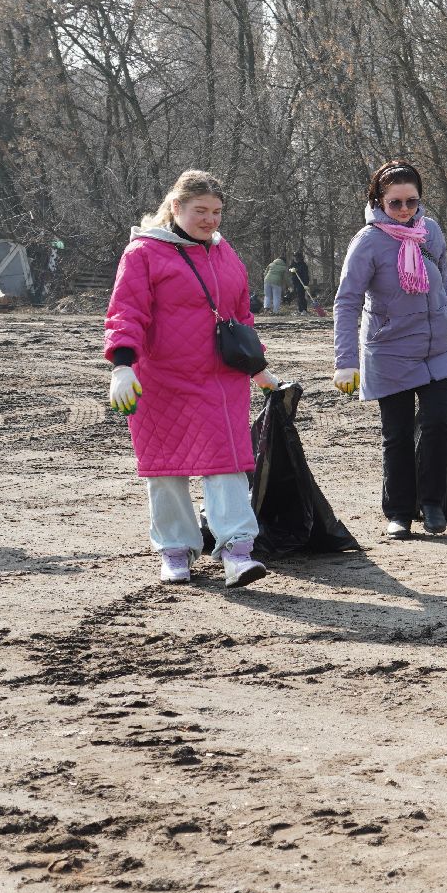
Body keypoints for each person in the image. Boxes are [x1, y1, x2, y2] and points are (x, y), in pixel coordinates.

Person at [103, 169, 279, 588]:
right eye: (201, 210)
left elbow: (240, 317)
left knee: (227, 466)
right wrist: (122, 365)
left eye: (217, 211)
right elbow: (126, 311)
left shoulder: (225, 252)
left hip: (220, 380)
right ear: (176, 207)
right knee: (166, 471)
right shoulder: (143, 253)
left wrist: (258, 367)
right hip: (160, 379)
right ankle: (176, 551)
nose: (210, 220)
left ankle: (237, 553)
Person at [332, 160, 447, 539]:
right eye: (395, 203)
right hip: (389, 349)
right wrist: (345, 362)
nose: (405, 211)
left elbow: (445, 281)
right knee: (398, 433)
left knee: (439, 422)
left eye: (412, 202)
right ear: (378, 201)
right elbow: (347, 301)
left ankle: (433, 502)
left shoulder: (430, 231)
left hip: (438, 346)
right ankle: (400, 511)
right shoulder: (368, 242)